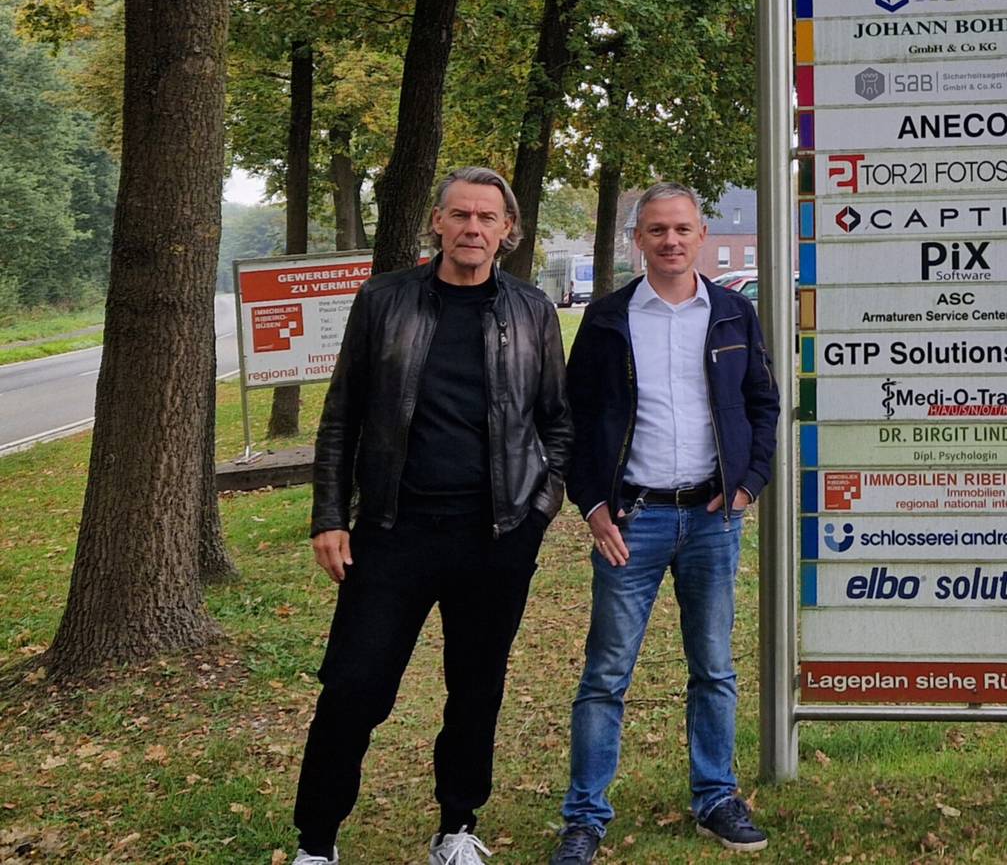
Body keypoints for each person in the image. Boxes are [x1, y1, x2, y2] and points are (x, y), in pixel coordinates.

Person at [291, 168, 571, 865]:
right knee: (355, 685)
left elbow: (556, 423)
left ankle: (455, 827)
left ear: (508, 230)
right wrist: (330, 514)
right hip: (392, 532)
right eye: (461, 215)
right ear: (437, 223)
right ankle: (317, 842)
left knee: (475, 690)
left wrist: (538, 509)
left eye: (487, 217)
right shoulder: (384, 301)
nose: (473, 228)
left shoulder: (532, 310)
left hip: (496, 538)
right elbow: (341, 416)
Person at [551, 183, 780, 861]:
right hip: (633, 521)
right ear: (638, 240)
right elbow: (573, 419)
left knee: (714, 666)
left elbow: (763, 404)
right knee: (606, 674)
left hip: (713, 517)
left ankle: (715, 796)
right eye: (656, 230)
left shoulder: (735, 312)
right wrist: (591, 506)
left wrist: (749, 486)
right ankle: (585, 816)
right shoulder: (608, 318)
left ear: (701, 234)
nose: (671, 240)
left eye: (682, 228)